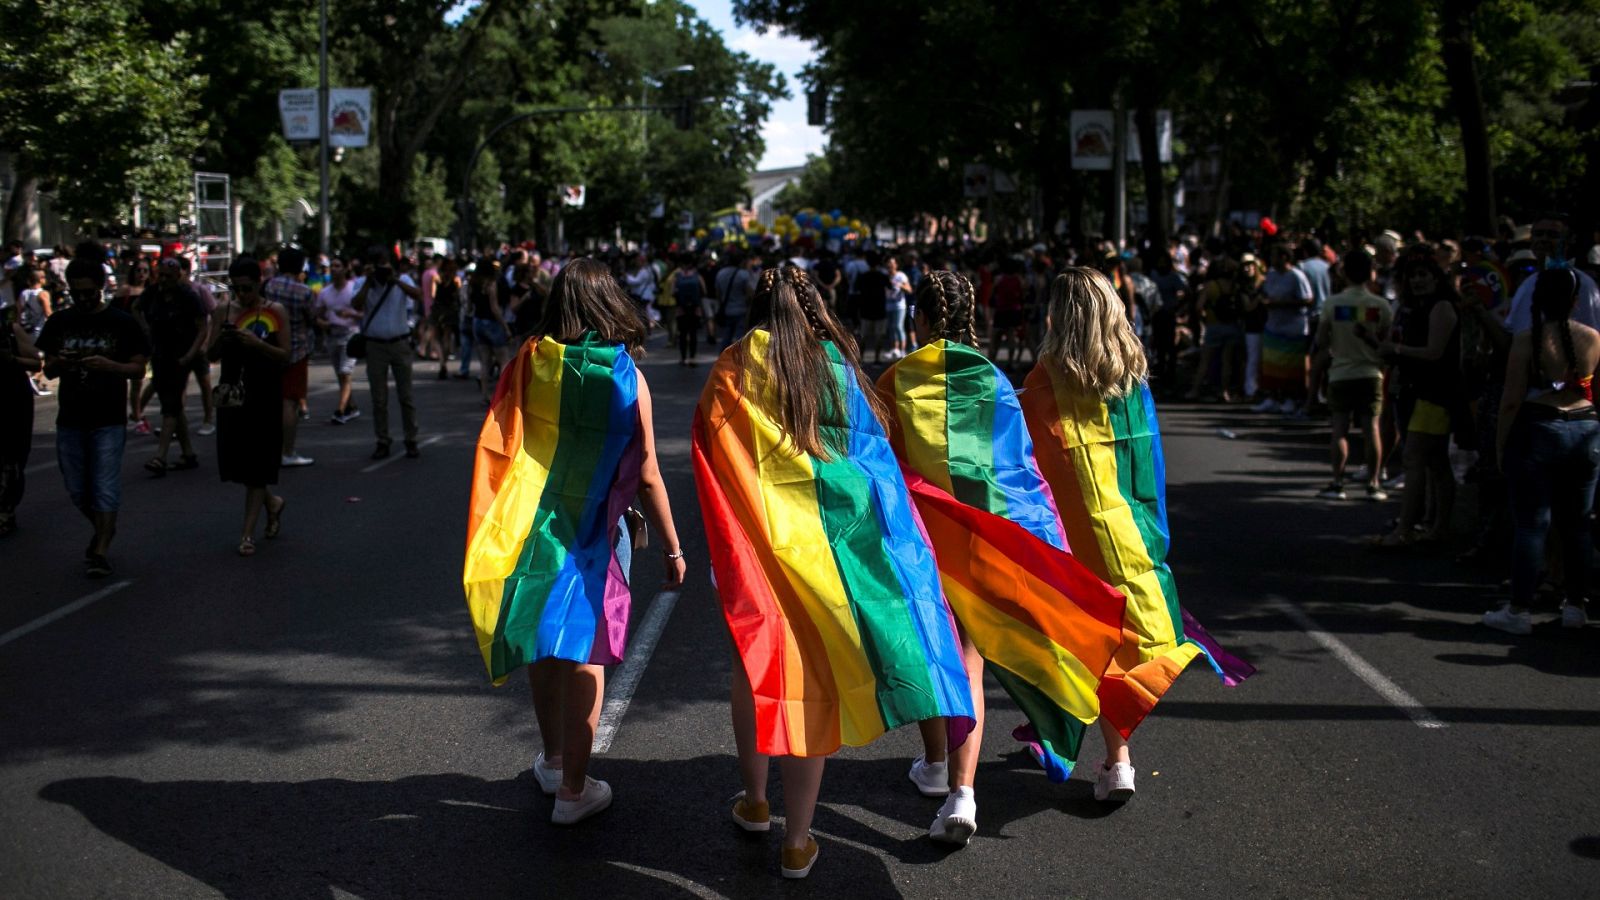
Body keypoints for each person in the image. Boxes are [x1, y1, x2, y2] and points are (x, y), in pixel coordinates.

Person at [694, 265, 973, 878]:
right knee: (813, 684)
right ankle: (798, 839)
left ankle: (756, 801)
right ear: (817, 309)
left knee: (757, 670)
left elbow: (713, 458)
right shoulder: (838, 369)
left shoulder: (732, 368)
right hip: (831, 557)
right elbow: (874, 471)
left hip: (755, 553)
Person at [877, 270, 1125, 847]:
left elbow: (879, 462)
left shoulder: (897, 377)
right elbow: (1019, 471)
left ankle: (946, 777)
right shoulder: (991, 377)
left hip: (928, 542)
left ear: (918, 318)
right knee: (970, 658)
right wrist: (1046, 544)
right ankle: (953, 784)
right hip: (990, 543)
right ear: (973, 318)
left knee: (936, 654)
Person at [463, 257, 685, 826]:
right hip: (599, 529)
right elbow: (650, 474)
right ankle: (574, 790)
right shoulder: (625, 376)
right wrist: (674, 548)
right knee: (589, 649)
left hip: (531, 527)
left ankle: (554, 759)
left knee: (543, 641)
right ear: (610, 303)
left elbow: (503, 443)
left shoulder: (529, 363)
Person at [1020, 266, 1251, 805]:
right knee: (1121, 645)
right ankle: (1116, 760)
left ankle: (1094, 748)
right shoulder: (1131, 377)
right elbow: (1147, 464)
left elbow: (1025, 465)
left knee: (1074, 644)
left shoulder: (1044, 379)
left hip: (1071, 540)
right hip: (1130, 534)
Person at [1485, 268, 1600, 634]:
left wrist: (1501, 445)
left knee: (1532, 525)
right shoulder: (1595, 338)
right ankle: (1576, 606)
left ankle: (1519, 609)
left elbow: (1511, 399)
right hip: (1585, 428)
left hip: (1538, 428)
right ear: (1576, 302)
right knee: (1578, 525)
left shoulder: (1526, 339)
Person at [35, 248, 150, 577]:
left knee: (104, 484)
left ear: (101, 288)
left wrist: (109, 365)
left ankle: (100, 546)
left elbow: (138, 370)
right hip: (70, 417)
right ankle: (102, 527)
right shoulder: (61, 321)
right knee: (77, 487)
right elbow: (50, 370)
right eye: (76, 293)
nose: (83, 299)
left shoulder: (121, 322)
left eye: (89, 292)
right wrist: (62, 361)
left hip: (108, 418)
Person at [208, 258, 289, 557]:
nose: (242, 294)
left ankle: (246, 534)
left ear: (259, 284)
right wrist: (222, 338)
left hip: (264, 393)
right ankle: (272, 502)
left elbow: (285, 355)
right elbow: (210, 354)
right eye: (236, 288)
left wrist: (257, 344)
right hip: (233, 393)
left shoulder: (275, 311)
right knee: (236, 464)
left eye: (248, 288)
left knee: (257, 466)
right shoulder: (223, 311)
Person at [1314, 250, 1393, 501]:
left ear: (1344, 272)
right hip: (1371, 373)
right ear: (1370, 272)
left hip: (1340, 373)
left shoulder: (1332, 304)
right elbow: (1387, 341)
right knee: (1372, 429)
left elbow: (1320, 339)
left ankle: (1338, 483)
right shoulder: (1380, 305)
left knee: (1340, 429)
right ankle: (1374, 483)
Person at [136, 257, 208, 474]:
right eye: (161, 275)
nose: (164, 280)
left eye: (168, 276)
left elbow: (202, 327)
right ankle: (187, 453)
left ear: (178, 276)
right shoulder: (153, 294)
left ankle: (161, 456)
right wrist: (145, 330)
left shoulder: (188, 296)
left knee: (171, 405)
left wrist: (190, 354)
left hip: (181, 357)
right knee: (174, 405)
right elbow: (136, 308)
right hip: (160, 355)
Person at [353, 247, 424, 460]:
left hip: (400, 343)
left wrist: (396, 281)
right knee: (378, 398)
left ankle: (411, 439)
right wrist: (368, 281)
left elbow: (419, 296)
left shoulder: (402, 280)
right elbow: (356, 305)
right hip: (375, 346)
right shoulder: (363, 282)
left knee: (406, 396)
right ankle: (382, 440)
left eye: (385, 265)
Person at [264, 247, 315, 467]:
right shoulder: (303, 291)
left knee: (270, 400)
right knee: (290, 402)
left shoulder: (268, 287)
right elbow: (311, 318)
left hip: (269, 347)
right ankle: (288, 451)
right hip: (296, 349)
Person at [1258, 244, 1315, 415]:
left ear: (1284, 257)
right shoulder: (1271, 275)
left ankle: (1291, 398)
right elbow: (1266, 293)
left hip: (1293, 328)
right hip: (1274, 325)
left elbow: (1308, 300)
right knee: (1272, 364)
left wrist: (1281, 304)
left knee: (1291, 366)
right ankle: (1273, 397)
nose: (1272, 260)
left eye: (1275, 256)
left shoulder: (1297, 276)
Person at [1, 301, 42, 535]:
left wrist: (11, 359)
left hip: (12, 400)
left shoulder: (10, 330)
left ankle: (6, 510)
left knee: (12, 458)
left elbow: (36, 362)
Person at [314, 256, 362, 423]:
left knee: (345, 371)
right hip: (332, 335)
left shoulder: (354, 289)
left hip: (350, 334)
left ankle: (340, 411)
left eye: (338, 265)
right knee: (340, 374)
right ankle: (352, 406)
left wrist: (351, 314)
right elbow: (317, 315)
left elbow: (364, 313)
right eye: (332, 266)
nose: (334, 269)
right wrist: (323, 323)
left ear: (346, 268)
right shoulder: (325, 292)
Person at [467, 257, 512, 405]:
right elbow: (495, 308)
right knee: (503, 359)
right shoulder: (491, 283)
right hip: (491, 323)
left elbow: (469, 306)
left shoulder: (472, 283)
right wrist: (505, 327)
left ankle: (485, 394)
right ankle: (503, 394)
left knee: (485, 362)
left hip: (477, 321)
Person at [669, 254, 710, 366]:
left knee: (682, 334)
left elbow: (672, 292)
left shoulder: (677, 276)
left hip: (681, 309)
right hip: (695, 309)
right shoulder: (697, 275)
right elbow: (704, 291)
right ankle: (692, 357)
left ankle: (683, 358)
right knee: (693, 333)